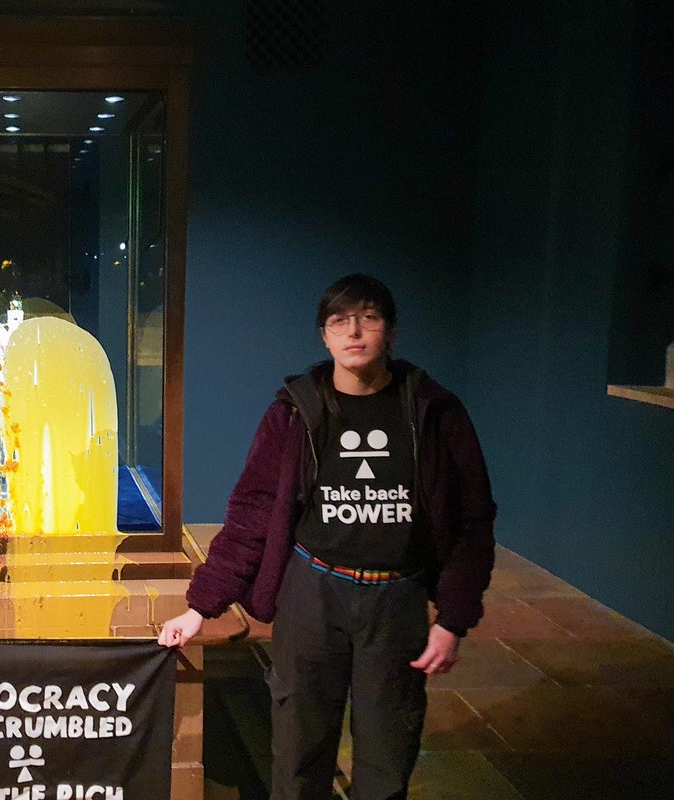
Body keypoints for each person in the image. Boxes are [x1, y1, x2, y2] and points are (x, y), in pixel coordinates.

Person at [158, 274, 496, 800]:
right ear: (324, 335)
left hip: (396, 599)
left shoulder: (433, 412)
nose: (353, 332)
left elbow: (472, 521)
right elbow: (253, 511)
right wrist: (202, 606)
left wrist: (453, 618)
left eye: (369, 318)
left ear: (391, 331)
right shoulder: (295, 412)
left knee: (388, 750)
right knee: (297, 749)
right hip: (312, 594)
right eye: (340, 321)